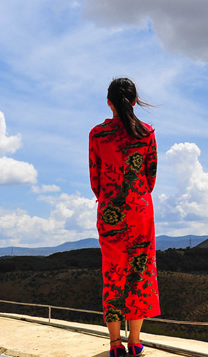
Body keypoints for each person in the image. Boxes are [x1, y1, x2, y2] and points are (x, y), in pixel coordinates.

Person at [89, 77, 160, 357]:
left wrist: (110, 198)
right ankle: (135, 341)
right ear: (133, 101)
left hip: (110, 212)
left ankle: (115, 344)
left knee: (113, 273)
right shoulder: (147, 133)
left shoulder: (97, 134)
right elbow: (150, 176)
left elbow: (95, 178)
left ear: (109, 102)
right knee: (139, 273)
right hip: (141, 210)